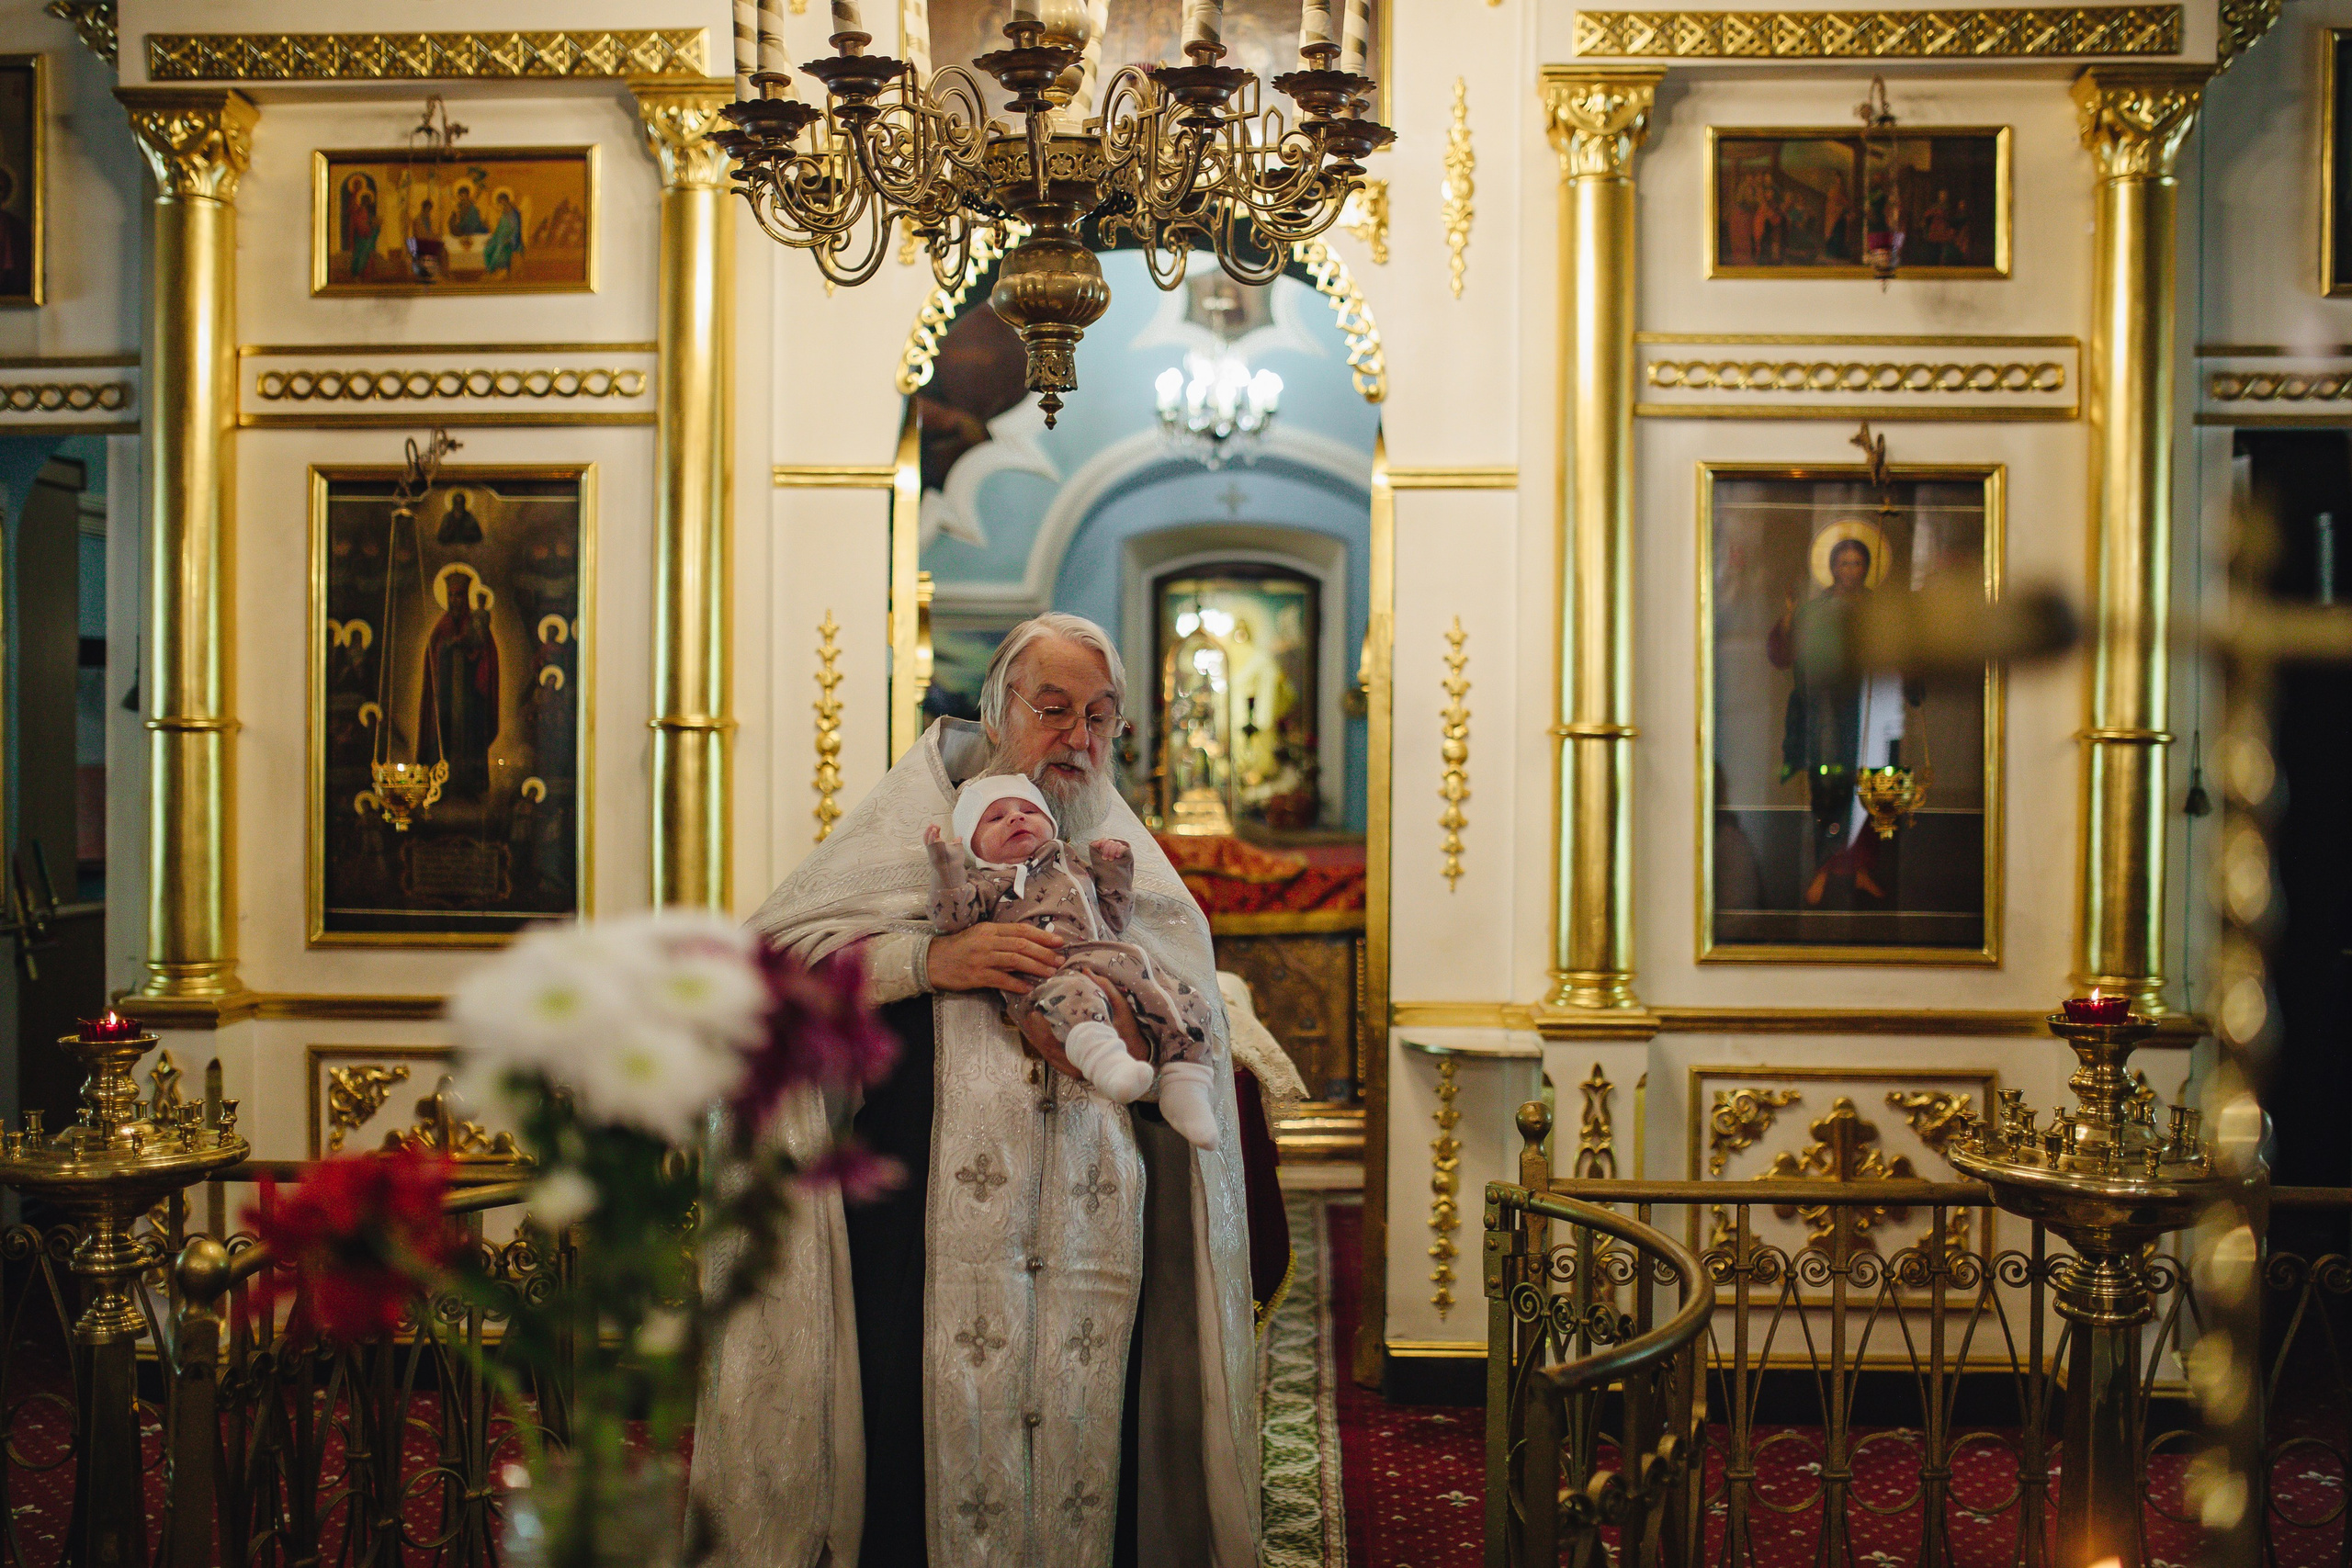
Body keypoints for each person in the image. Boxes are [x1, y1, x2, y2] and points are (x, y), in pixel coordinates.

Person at [695, 612, 1261, 1568]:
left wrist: (1140, 1020)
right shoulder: (903, 833)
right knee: (918, 1456)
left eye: (1100, 718)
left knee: (1092, 1447)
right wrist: (931, 958)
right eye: (1053, 709)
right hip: (920, 1227)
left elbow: (1188, 992)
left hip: (1094, 1227)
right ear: (998, 709)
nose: (1078, 738)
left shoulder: (1123, 856)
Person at [926, 773, 1221, 1147]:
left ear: (1050, 824)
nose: (1016, 818)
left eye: (1028, 810)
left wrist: (1113, 866)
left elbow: (1115, 918)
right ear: (972, 845)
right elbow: (952, 920)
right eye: (996, 818)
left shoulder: (1074, 864)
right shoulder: (985, 882)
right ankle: (1109, 1065)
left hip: (1110, 957)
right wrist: (946, 868)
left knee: (1184, 997)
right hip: (1045, 972)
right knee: (1076, 996)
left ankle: (1186, 1086)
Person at [483, 190, 525, 277]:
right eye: (500, 202)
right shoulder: (504, 213)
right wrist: (491, 239)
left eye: (503, 202)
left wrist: (509, 239)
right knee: (488, 249)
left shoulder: (514, 213)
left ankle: (500, 270)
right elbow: (499, 229)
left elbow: (516, 229)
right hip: (499, 238)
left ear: (507, 201)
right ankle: (492, 271)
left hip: (511, 239)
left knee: (499, 249)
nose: (502, 204)